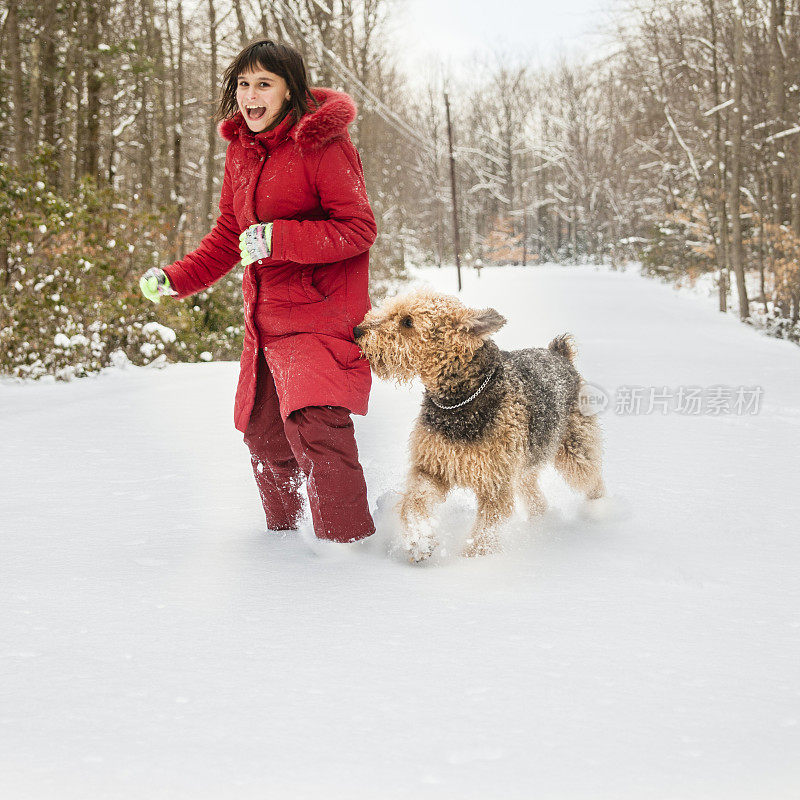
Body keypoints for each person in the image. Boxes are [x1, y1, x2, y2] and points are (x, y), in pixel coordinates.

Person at [139, 39, 377, 544]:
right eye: (243, 84)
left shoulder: (323, 145)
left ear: (290, 91)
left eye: (264, 83)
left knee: (315, 426)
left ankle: (348, 550)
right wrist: (176, 277)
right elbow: (231, 236)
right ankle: (285, 547)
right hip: (265, 321)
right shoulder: (242, 154)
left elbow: (358, 229)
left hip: (320, 313)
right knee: (265, 436)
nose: (251, 94)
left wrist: (278, 238)